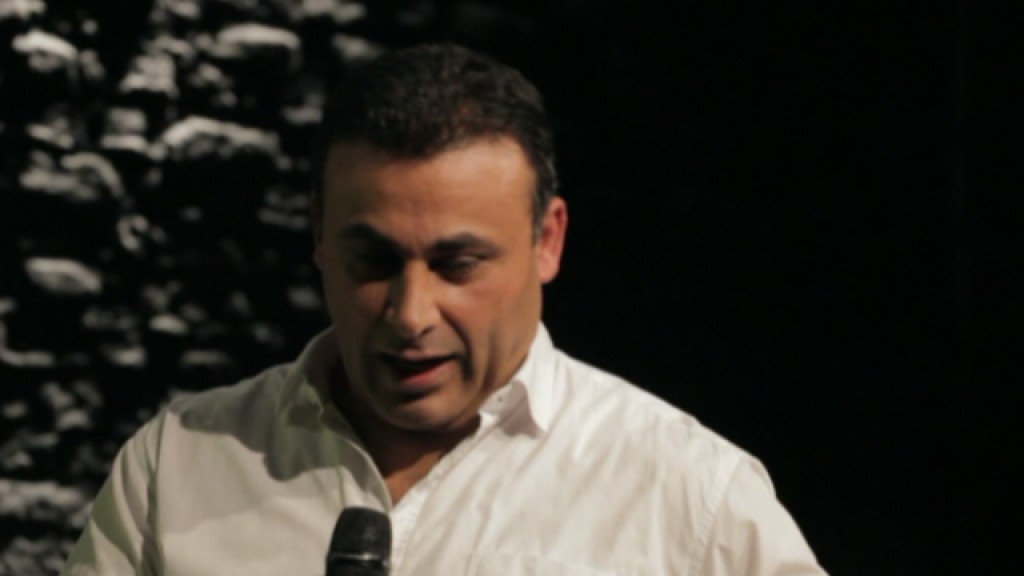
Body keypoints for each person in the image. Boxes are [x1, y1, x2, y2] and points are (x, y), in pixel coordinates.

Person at [63, 43, 827, 575]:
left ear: (548, 241)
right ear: (319, 236)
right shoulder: (177, 467)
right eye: (374, 262)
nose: (410, 314)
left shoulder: (692, 496)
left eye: (457, 265)